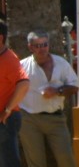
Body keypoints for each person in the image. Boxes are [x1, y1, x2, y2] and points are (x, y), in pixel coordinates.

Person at [19, 31, 78, 167]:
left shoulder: (61, 63)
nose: (42, 49)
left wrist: (58, 91)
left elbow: (75, 87)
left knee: (66, 158)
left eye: (44, 44)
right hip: (29, 119)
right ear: (31, 47)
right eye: (37, 46)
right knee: (35, 161)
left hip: (56, 119)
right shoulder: (22, 66)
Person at [0, 20, 29, 167]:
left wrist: (7, 109)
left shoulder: (9, 59)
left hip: (5, 120)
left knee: (9, 163)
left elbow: (24, 83)